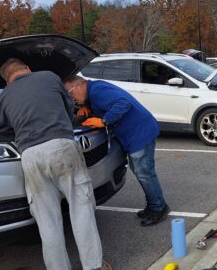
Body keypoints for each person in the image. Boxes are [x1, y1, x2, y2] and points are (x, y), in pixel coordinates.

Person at [0, 58, 111, 270]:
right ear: (28, 69)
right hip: (61, 146)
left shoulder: (6, 95)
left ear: (7, 79)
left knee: (47, 218)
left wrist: (18, 124)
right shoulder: (49, 76)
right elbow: (68, 109)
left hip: (30, 155)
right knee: (80, 206)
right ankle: (93, 266)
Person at [63, 75, 169, 227]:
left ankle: (159, 208)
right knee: (141, 172)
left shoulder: (97, 91)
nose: (71, 99)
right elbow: (108, 103)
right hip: (136, 133)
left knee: (145, 173)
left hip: (140, 133)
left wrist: (104, 121)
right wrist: (89, 107)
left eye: (70, 93)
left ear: (79, 86)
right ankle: (153, 205)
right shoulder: (94, 91)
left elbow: (122, 103)